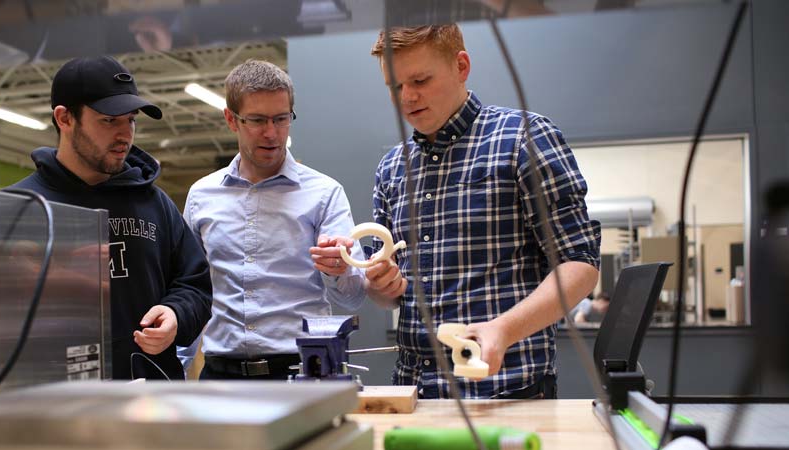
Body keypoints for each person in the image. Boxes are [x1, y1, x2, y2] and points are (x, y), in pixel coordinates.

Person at [364, 24, 601, 399]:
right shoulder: (393, 167)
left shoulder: (524, 138)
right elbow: (387, 295)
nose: (407, 97)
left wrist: (503, 329)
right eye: (395, 87)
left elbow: (580, 265)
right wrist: (381, 284)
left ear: (461, 66)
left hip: (506, 391)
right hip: (413, 393)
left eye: (420, 80)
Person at [9, 56, 213, 381]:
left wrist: (176, 314)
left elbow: (195, 285)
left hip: (151, 394)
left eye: (131, 120)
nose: (125, 135)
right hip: (52, 398)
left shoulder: (155, 203)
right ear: (64, 118)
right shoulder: (19, 208)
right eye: (109, 121)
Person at [184, 59, 366, 380]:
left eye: (281, 119)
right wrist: (176, 371)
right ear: (231, 119)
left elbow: (352, 297)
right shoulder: (201, 196)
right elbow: (191, 292)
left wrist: (339, 270)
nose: (271, 133)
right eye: (257, 120)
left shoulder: (324, 193)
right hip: (220, 376)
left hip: (302, 371)